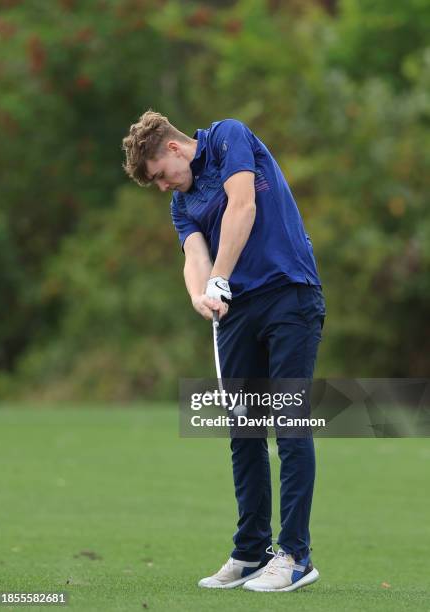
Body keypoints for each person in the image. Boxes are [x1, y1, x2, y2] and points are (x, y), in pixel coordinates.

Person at [121, 110, 326, 593]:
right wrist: (200, 293)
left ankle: (295, 555)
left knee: (289, 422)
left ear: (173, 149)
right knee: (244, 431)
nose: (163, 187)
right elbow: (195, 256)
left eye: (160, 176)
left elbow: (243, 206)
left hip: (289, 295)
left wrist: (220, 278)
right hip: (235, 313)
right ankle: (251, 552)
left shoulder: (228, 137)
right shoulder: (182, 204)